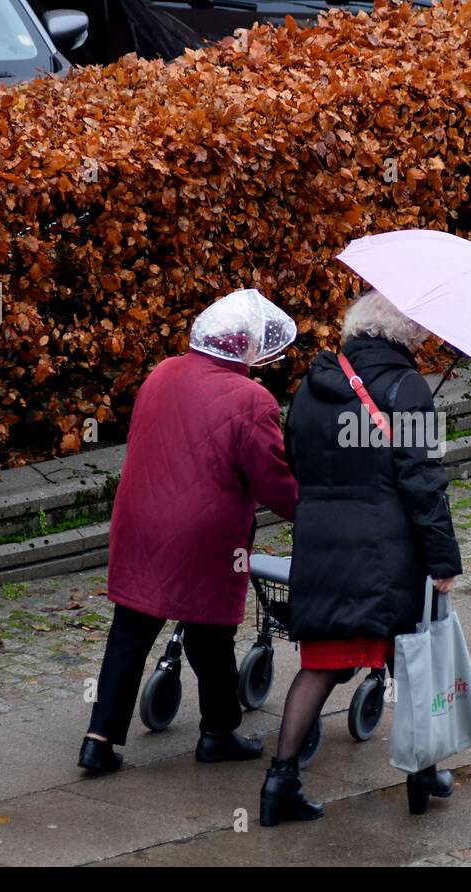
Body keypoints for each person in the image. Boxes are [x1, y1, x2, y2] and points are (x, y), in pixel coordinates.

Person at [259, 290, 463, 825]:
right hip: (383, 549)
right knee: (412, 662)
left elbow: (295, 457)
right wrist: (443, 560)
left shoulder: (313, 383)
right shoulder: (407, 386)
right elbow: (423, 482)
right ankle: (423, 773)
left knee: (323, 661)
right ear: (406, 335)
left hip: (321, 541)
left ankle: (279, 781)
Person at [79, 289, 299, 774]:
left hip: (140, 519)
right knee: (211, 633)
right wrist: (309, 509)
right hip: (203, 535)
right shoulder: (252, 398)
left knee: (130, 631)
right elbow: (272, 480)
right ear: (243, 347)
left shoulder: (161, 373)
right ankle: (218, 732)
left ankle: (99, 740)